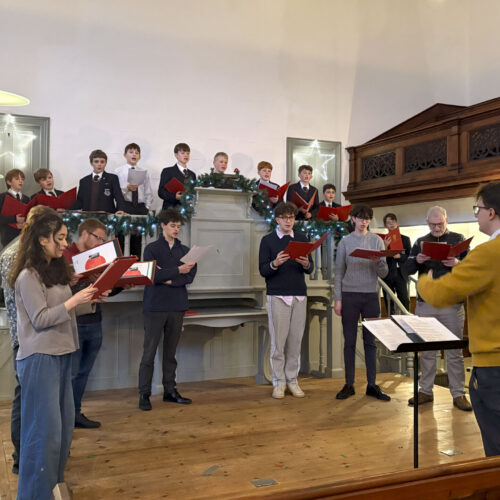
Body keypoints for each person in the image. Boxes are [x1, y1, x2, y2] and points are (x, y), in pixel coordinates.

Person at [8, 209, 97, 500]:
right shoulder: (27, 276)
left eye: (65, 238)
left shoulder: (55, 271)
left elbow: (65, 312)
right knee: (42, 435)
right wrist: (74, 300)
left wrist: (91, 299)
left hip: (62, 352)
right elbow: (41, 319)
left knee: (61, 433)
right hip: (40, 358)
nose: (64, 244)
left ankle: (52, 489)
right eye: (59, 238)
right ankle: (33, 495)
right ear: (42, 240)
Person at [417, 182, 500, 456]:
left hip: (494, 365)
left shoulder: (488, 252)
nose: (477, 214)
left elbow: (441, 294)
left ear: (491, 212)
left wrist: (425, 281)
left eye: (478, 209)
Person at [0, 206, 54, 476]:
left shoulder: (30, 254)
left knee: (36, 400)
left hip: (37, 334)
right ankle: (21, 457)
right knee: (25, 400)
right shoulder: (14, 254)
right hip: (25, 336)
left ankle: (37, 453)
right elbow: (23, 300)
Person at [404, 206, 472, 411]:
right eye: (433, 224)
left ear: (447, 221)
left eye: (440, 224)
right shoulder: (420, 242)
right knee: (426, 351)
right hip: (426, 304)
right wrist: (417, 260)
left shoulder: (458, 239)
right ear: (427, 223)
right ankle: (425, 390)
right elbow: (406, 270)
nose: (436, 228)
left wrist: (457, 262)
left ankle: (458, 393)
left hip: (452, 304)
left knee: (454, 352)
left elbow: (471, 268)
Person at [138, 209, 197, 410]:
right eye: (172, 226)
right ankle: (144, 394)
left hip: (177, 305)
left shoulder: (185, 250)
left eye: (178, 226)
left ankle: (170, 391)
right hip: (155, 306)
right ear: (163, 225)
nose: (176, 229)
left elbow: (190, 276)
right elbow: (152, 275)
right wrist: (178, 271)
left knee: (170, 353)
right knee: (149, 353)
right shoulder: (151, 249)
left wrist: (170, 278)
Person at [63, 218, 117, 428]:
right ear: (84, 233)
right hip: (74, 321)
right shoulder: (65, 255)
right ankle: (65, 416)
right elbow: (58, 292)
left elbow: (102, 288)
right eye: (98, 238)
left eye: (103, 240)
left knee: (84, 372)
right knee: (71, 373)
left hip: (95, 319)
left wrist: (118, 285)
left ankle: (75, 413)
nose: (100, 243)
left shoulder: (99, 258)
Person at [333, 204, 391, 401]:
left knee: (370, 342)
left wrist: (378, 262)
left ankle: (372, 385)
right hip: (349, 295)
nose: (363, 221)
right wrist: (338, 299)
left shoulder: (376, 241)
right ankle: (349, 384)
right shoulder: (345, 242)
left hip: (371, 296)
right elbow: (339, 272)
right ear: (353, 219)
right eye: (360, 218)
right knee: (349, 342)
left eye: (367, 218)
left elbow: (384, 273)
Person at [258, 202, 314, 399]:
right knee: (278, 343)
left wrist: (306, 263)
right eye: (284, 218)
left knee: (295, 342)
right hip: (278, 295)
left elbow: (310, 268)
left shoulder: (301, 238)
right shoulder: (268, 240)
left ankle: (292, 380)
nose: (288, 221)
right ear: (277, 220)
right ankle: (279, 382)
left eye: (291, 217)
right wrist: (275, 263)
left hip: (299, 295)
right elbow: (263, 270)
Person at [115, 142, 154, 257]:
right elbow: (115, 192)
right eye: (131, 152)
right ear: (125, 155)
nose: (134, 155)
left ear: (140, 156)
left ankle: (135, 264)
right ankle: (119, 264)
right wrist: (126, 188)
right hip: (124, 206)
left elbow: (148, 191)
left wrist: (147, 207)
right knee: (120, 239)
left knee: (137, 241)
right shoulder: (118, 171)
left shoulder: (144, 172)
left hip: (139, 207)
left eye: (137, 153)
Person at [72, 149, 126, 213]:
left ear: (105, 163)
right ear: (91, 163)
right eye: (96, 161)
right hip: (88, 216)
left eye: (102, 162)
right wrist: (67, 210)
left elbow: (119, 197)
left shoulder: (112, 178)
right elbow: (79, 201)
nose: (99, 164)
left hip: (107, 215)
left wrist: (120, 210)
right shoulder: (84, 181)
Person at [381, 213, 411, 314]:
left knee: (404, 300)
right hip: (387, 273)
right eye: (388, 222)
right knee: (389, 301)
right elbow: (380, 258)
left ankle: (407, 320)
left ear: (397, 223)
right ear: (385, 225)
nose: (391, 224)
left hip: (401, 273)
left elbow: (409, 257)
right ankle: (391, 319)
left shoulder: (405, 239)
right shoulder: (382, 240)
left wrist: (400, 256)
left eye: (393, 221)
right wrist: (385, 247)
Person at [158, 143, 196, 210]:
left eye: (188, 153)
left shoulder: (192, 174)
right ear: (176, 155)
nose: (186, 155)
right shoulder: (167, 171)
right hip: (171, 209)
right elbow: (161, 192)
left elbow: (194, 192)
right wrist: (174, 196)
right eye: (182, 153)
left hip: (187, 210)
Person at [0, 168, 29, 247]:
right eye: (17, 179)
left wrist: (26, 222)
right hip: (8, 237)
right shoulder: (2, 197)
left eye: (22, 179)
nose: (21, 181)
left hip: (24, 236)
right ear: (9, 182)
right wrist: (14, 219)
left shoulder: (26, 198)